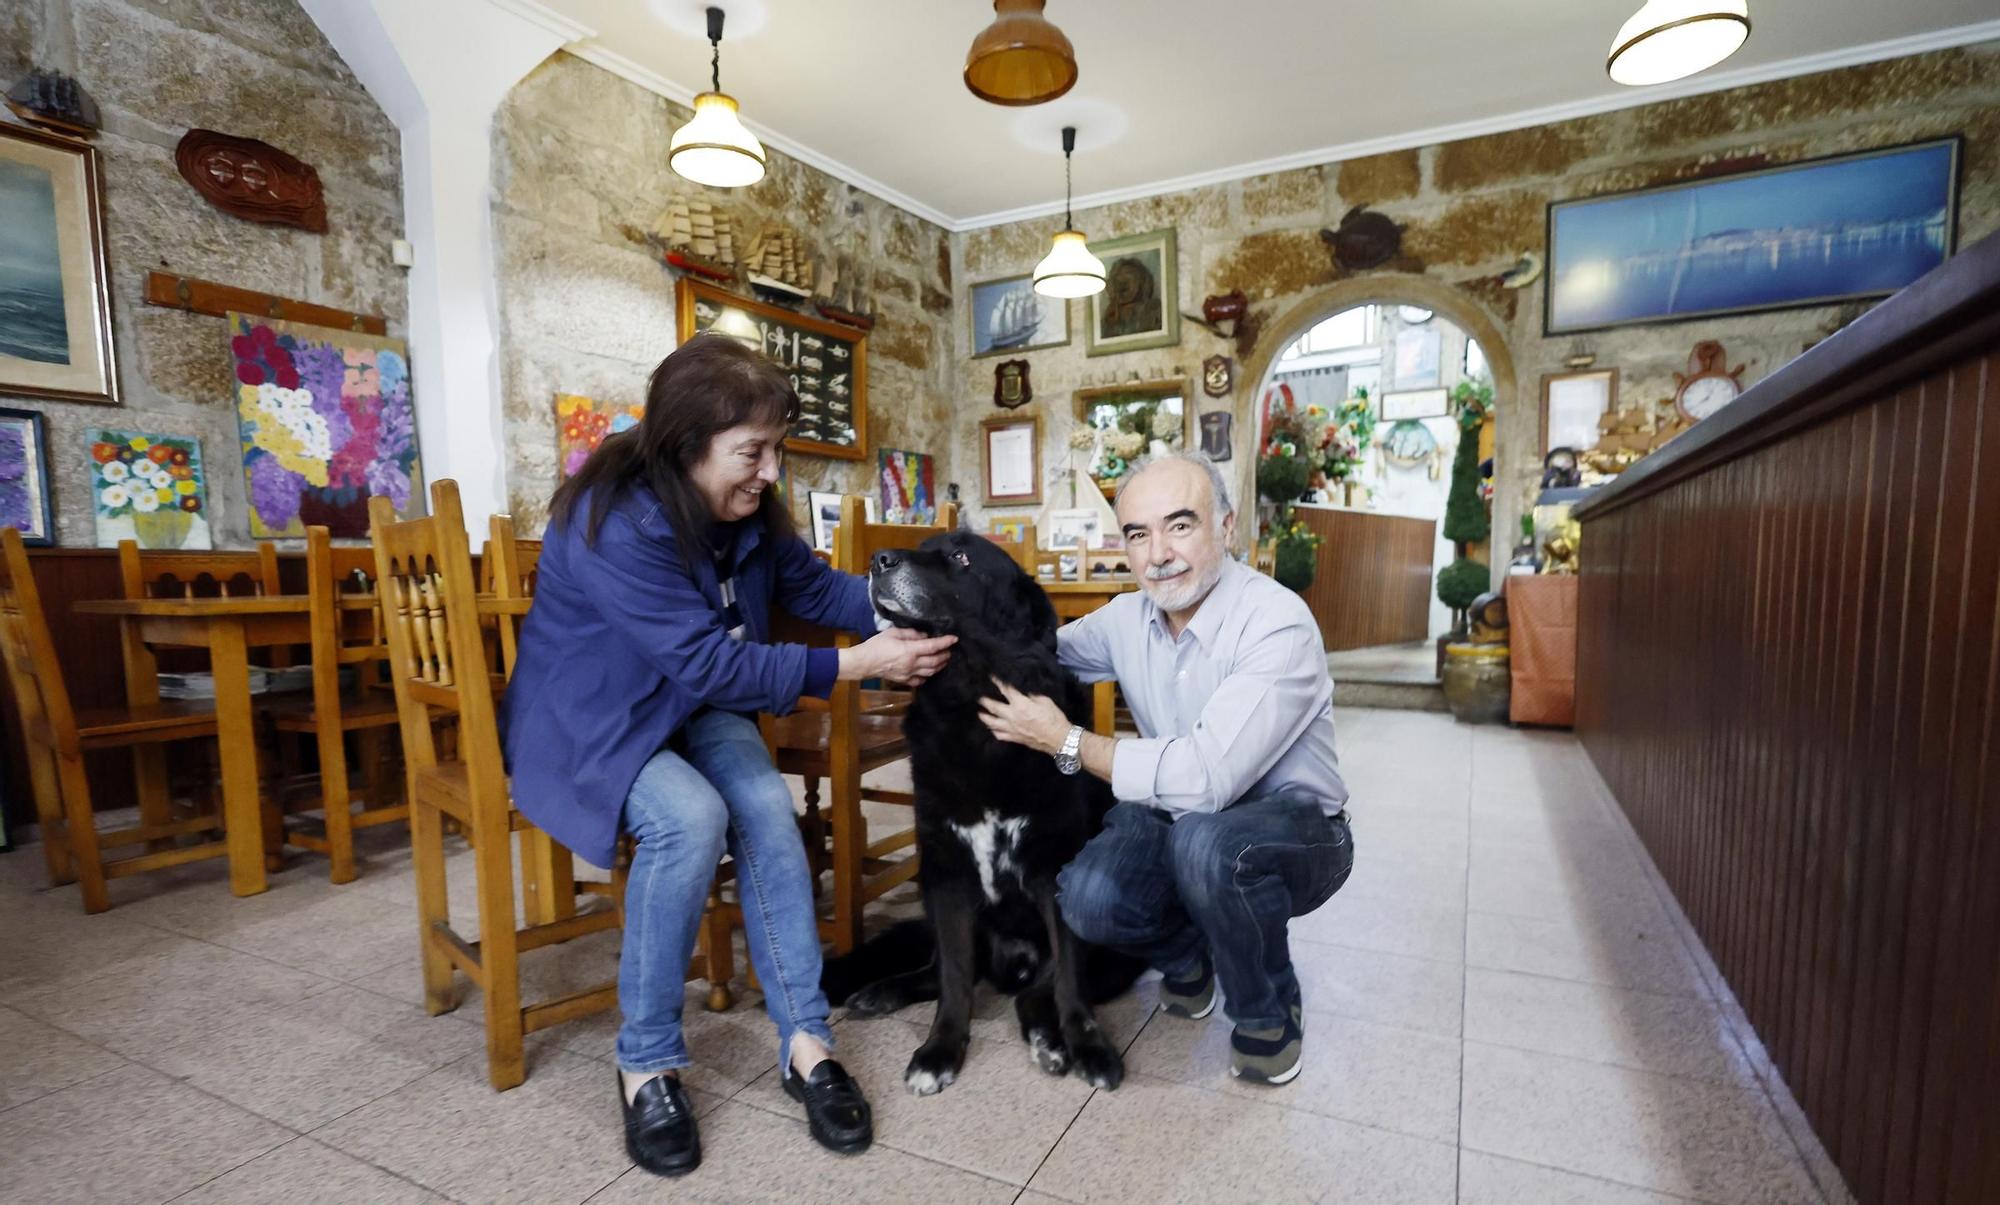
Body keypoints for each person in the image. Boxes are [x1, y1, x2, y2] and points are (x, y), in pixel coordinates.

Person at [501, 335, 956, 1176]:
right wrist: (859, 664)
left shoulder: (743, 512)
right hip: (593, 714)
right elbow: (713, 660)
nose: (770, 470)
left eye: (777, 448)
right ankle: (645, 1062)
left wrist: (916, 610)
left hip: (688, 700)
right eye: (753, 451)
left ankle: (807, 1044)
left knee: (766, 811)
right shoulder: (616, 519)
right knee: (689, 817)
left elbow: (814, 589)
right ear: (685, 445)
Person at [978, 451, 1351, 1086]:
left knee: (1209, 843)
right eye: (1138, 533)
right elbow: (1037, 654)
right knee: (1088, 896)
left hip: (1300, 832)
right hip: (1177, 823)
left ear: (1227, 529)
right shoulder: (1127, 618)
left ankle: (1267, 1010)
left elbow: (1206, 780)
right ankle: (1188, 953)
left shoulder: (1277, 622)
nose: (1158, 554)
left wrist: (1065, 740)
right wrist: (939, 635)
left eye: (1180, 526)